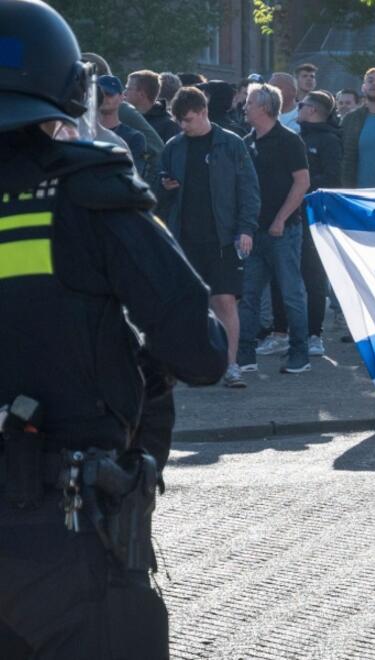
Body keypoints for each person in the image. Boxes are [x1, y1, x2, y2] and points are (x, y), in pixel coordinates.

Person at [0, 2, 228, 658]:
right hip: (66, 536)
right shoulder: (88, 190)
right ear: (72, 91)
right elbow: (202, 351)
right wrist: (138, 370)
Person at [156, 86, 260, 387]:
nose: (183, 126)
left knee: (225, 301)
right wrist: (165, 187)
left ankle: (230, 366)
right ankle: (195, 366)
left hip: (223, 238)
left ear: (203, 112)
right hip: (184, 237)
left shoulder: (231, 144)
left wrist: (246, 229)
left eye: (188, 119)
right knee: (188, 305)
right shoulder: (174, 146)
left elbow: (249, 190)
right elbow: (157, 193)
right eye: (179, 121)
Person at [239, 82, 312, 374]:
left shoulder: (290, 141)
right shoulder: (246, 142)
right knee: (249, 294)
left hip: (283, 231)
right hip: (253, 231)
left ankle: (300, 353)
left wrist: (281, 218)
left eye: (250, 103)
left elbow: (302, 182)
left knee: (291, 293)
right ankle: (245, 355)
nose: (244, 107)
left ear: (266, 108)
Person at [298, 90, 343, 357]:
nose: (299, 108)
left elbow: (332, 177)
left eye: (302, 105)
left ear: (313, 110)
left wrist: (301, 181)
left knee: (314, 276)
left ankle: (315, 333)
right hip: (292, 212)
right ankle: (287, 331)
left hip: (314, 213)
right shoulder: (297, 136)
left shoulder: (329, 141)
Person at [96, 75, 147, 169]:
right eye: (99, 94)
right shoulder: (82, 133)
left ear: (121, 98)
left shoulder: (134, 138)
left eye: (109, 94)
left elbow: (134, 176)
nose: (104, 98)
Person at [125, 69, 181, 143]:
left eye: (129, 88)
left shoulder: (169, 126)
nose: (124, 93)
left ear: (142, 94)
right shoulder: (126, 119)